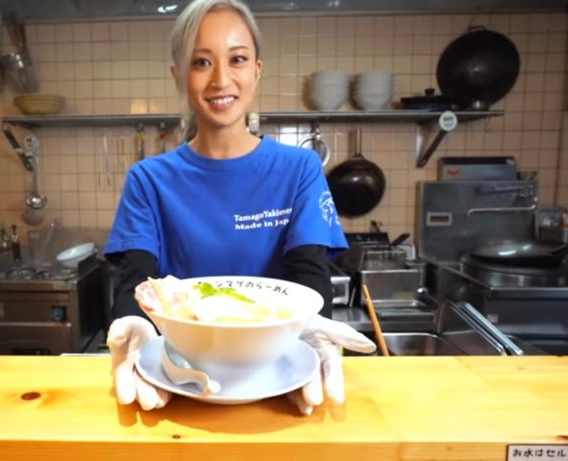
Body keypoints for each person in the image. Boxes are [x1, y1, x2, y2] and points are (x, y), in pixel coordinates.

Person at [104, 0, 375, 416]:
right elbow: (136, 280)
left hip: (276, 379)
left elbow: (308, 271)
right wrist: (134, 331)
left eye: (238, 59)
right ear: (179, 75)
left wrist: (310, 336)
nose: (221, 79)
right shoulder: (149, 179)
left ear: (257, 71)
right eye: (201, 62)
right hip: (180, 383)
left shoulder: (299, 169)